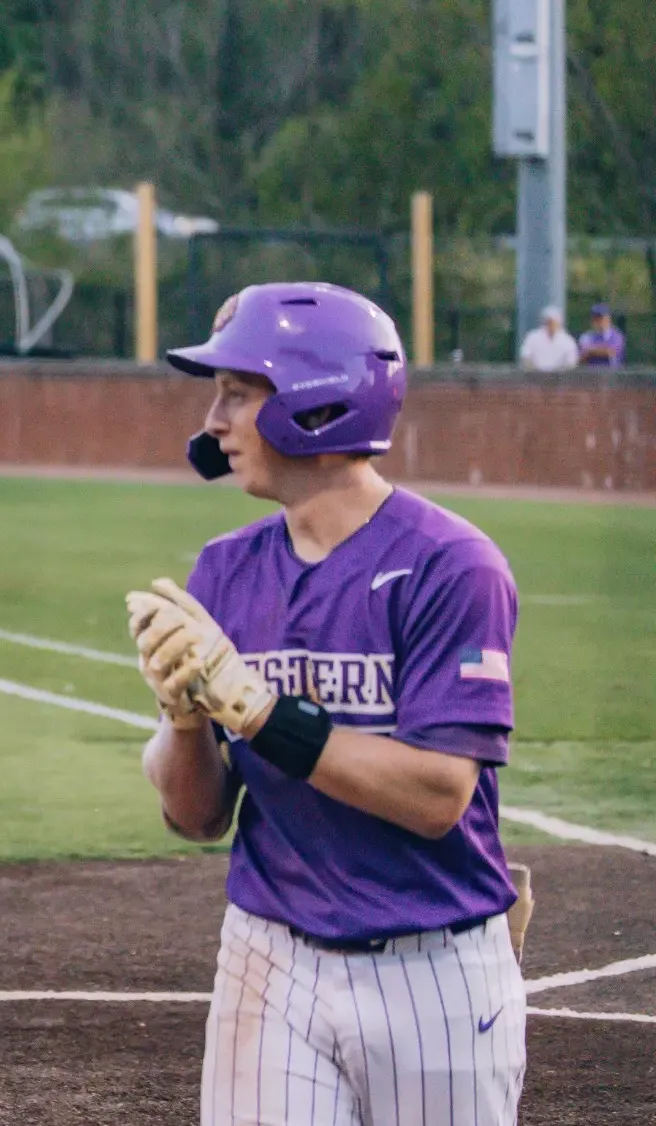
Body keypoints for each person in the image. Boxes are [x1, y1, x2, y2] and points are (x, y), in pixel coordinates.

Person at [130, 282, 528, 1125]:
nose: (213, 422)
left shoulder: (451, 566)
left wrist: (263, 711)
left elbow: (437, 797)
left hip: (433, 976)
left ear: (316, 404)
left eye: (238, 393)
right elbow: (198, 817)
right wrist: (186, 717)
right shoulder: (226, 571)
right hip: (267, 960)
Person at [517, 304, 578, 371]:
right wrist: (537, 373)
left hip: (560, 379)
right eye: (549, 321)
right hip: (534, 378)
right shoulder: (532, 337)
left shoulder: (568, 340)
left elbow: (571, 363)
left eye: (554, 321)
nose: (551, 324)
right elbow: (526, 357)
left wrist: (557, 375)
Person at [578, 302, 626, 367]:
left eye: (601, 318)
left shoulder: (616, 335)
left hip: (612, 374)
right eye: (595, 318)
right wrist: (601, 350)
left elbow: (611, 351)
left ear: (608, 318)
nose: (599, 321)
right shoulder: (587, 336)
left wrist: (591, 350)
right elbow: (581, 356)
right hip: (591, 374)